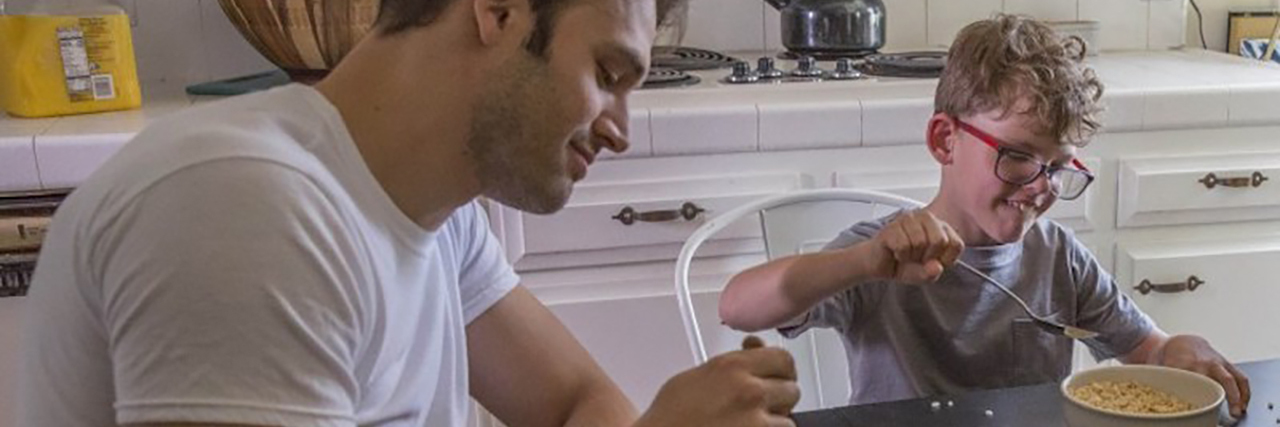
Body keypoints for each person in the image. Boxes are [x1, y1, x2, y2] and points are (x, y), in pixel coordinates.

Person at [16, 0, 802, 424]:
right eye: (607, 72)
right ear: (496, 12)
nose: (621, 130)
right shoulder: (247, 201)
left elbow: (573, 403)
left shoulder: (435, 212)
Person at [717, 13, 1251, 419]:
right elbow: (738, 306)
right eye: (1018, 156)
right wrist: (861, 263)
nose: (1041, 187)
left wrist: (1181, 347)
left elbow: (1149, 348)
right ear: (945, 140)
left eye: (1058, 166)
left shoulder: (1059, 258)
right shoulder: (883, 255)